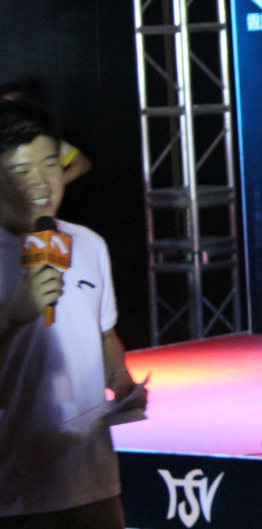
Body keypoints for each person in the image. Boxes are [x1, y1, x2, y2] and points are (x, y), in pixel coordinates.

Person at [0, 98, 146, 528]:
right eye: (21, 170)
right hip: (13, 492)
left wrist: (119, 377)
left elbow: (104, 335)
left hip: (93, 482)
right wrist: (12, 315)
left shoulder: (89, 244)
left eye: (50, 164)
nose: (41, 182)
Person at [0, 83, 92, 186]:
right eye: (8, 108)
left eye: (18, 107)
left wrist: (51, 185)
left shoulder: (44, 139)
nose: (13, 113)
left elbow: (82, 164)